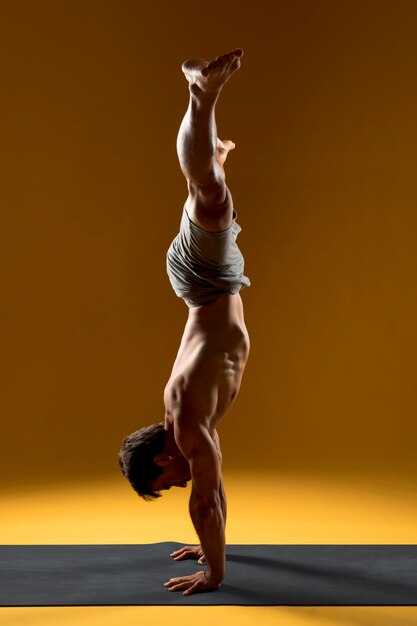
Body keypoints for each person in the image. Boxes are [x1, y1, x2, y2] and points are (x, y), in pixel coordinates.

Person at [118, 48, 250, 596]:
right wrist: (210, 544)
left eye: (164, 481)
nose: (177, 485)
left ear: (163, 458)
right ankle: (211, 146)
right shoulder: (194, 430)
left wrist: (214, 573)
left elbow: (204, 500)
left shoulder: (190, 426)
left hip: (204, 281)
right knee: (208, 191)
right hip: (212, 282)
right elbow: (213, 495)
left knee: (211, 198)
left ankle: (201, 92)